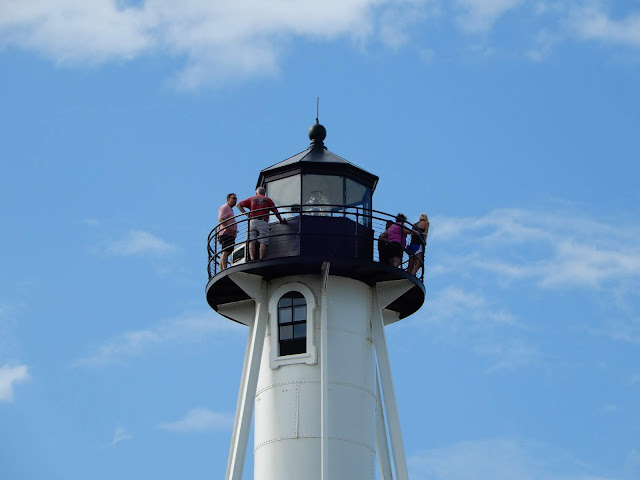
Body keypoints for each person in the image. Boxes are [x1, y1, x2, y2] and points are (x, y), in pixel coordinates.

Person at [237, 187, 287, 261]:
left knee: (251, 240)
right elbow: (276, 212)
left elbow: (238, 205)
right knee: (263, 240)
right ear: (264, 193)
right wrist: (280, 220)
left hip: (252, 221)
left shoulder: (252, 199)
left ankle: (252, 259)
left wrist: (246, 214)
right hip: (263, 221)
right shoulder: (268, 200)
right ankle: (261, 258)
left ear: (256, 193)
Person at [217, 193, 238, 271]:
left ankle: (223, 268)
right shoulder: (225, 207)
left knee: (226, 251)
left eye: (236, 199)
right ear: (228, 199)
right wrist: (228, 229)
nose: (235, 200)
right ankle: (224, 269)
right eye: (233, 198)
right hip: (226, 233)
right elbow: (220, 219)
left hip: (228, 234)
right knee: (226, 251)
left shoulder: (229, 209)